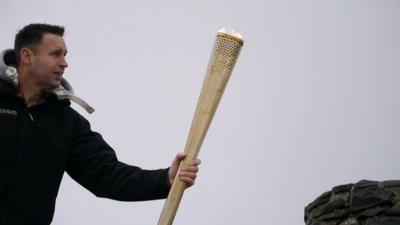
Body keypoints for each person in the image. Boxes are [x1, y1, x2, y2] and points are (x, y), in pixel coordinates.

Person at [0, 23, 201, 225]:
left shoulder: (67, 123)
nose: (64, 63)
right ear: (27, 57)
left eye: (65, 55)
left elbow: (106, 175)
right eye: (55, 54)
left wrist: (165, 179)